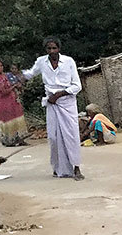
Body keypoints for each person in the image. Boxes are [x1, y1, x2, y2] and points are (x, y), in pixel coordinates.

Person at [21, 37, 84, 180]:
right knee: (54, 137)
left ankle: (76, 167)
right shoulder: (41, 62)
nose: (52, 51)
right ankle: (58, 168)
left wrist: (59, 94)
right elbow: (30, 73)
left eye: (54, 48)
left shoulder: (68, 62)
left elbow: (77, 86)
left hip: (66, 102)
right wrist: (18, 77)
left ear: (59, 49)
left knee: (71, 136)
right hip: (51, 103)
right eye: (49, 49)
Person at [0, 60, 29, 147]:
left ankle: (20, 139)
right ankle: (9, 141)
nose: (0, 67)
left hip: (13, 101)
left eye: (1, 65)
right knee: (8, 121)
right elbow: (4, 92)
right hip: (4, 103)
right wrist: (14, 86)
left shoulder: (6, 76)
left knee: (18, 119)